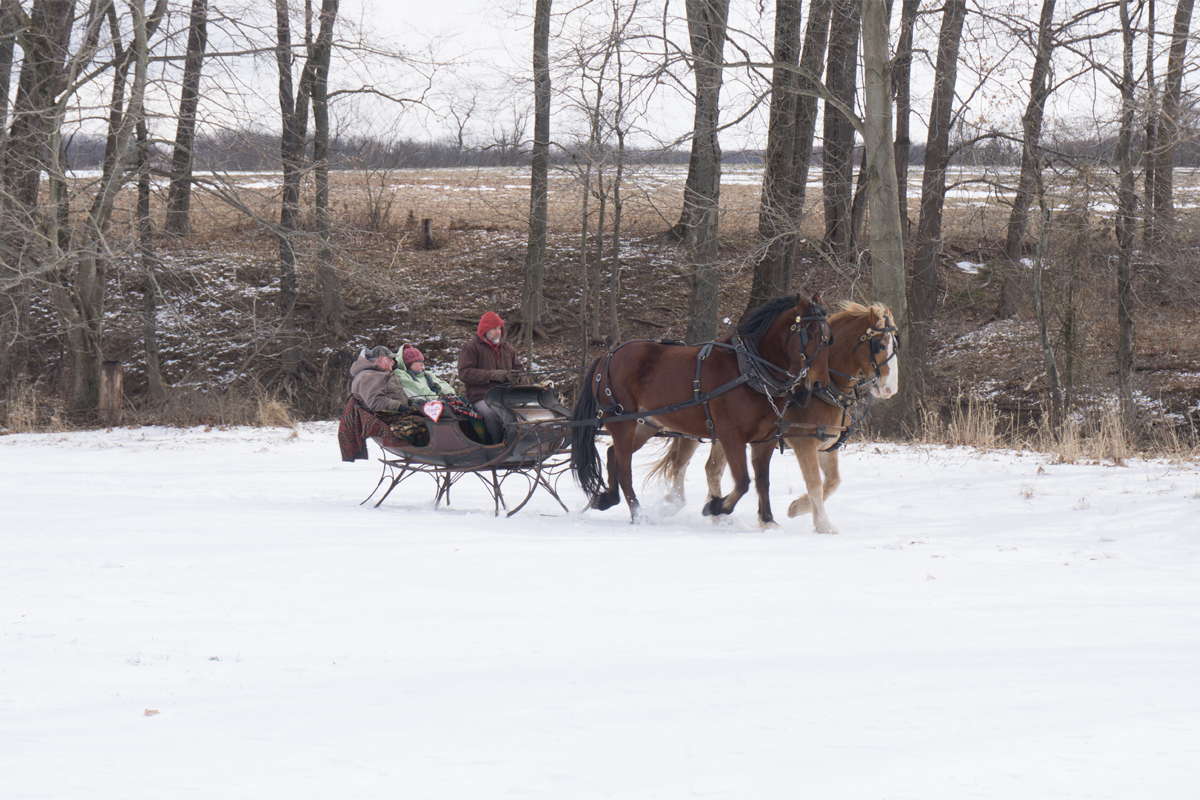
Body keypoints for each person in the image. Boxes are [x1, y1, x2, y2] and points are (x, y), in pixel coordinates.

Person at [457, 311, 524, 442]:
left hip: (506, 395)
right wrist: (493, 375)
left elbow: (520, 370)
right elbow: (464, 373)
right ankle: (496, 447)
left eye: (499, 328)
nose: (498, 331)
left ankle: (521, 445)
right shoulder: (472, 347)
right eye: (494, 328)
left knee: (524, 413)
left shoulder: (508, 348)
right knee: (493, 415)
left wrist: (518, 377)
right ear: (485, 330)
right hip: (481, 397)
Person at [349, 345, 410, 413]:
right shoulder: (368, 376)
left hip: (394, 414)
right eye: (390, 359)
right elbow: (376, 402)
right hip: (383, 418)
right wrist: (400, 407)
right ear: (380, 359)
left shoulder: (379, 373)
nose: (393, 362)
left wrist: (412, 403)